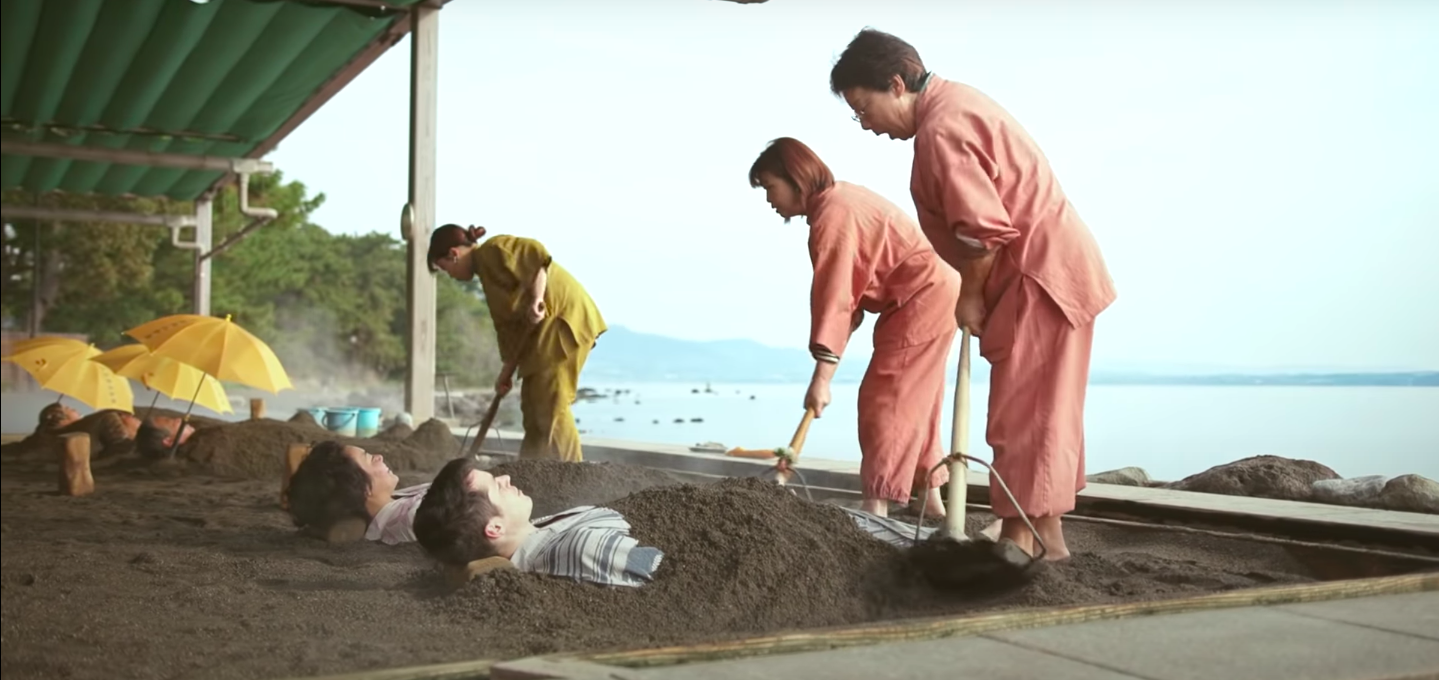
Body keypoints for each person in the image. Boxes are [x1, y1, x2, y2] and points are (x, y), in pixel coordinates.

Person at [828, 29, 1117, 559]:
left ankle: (1019, 538)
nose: (865, 126)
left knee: (1026, 413)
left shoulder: (942, 128)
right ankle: (1044, 538)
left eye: (863, 109)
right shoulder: (957, 104)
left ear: (896, 84)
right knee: (1044, 407)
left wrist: (971, 297)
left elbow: (981, 232)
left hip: (1037, 278)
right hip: (1053, 271)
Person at [747, 137, 959, 518]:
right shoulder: (839, 200)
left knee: (887, 397)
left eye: (770, 187)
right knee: (919, 400)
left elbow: (836, 300)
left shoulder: (833, 216)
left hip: (922, 294)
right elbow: (851, 300)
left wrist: (822, 379)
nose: (768, 199)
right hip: (935, 289)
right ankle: (929, 499)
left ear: (794, 178)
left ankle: (876, 504)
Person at [412, 457, 937, 588]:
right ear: (493, 531)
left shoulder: (546, 531)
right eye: (493, 487)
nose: (505, 478)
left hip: (749, 520)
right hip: (762, 542)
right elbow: (664, 567)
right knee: (858, 531)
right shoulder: (571, 549)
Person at [428, 224, 607, 462]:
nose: (450, 275)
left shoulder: (494, 249)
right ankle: (531, 470)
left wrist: (536, 299)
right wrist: (507, 372)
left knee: (550, 405)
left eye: (445, 268)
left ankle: (572, 474)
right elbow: (509, 333)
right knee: (532, 408)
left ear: (453, 254)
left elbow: (538, 257)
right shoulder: (487, 279)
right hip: (542, 337)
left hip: (562, 319)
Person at [284, 440, 429, 544]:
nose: (380, 456)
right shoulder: (413, 519)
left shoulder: (393, 502)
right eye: (371, 459)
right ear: (364, 488)